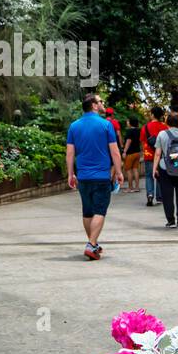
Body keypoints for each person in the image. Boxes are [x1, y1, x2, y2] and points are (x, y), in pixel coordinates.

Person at [66, 93, 123, 260]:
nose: (102, 103)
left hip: (83, 177)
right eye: (100, 101)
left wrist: (71, 173)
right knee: (99, 211)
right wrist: (119, 172)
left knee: (87, 212)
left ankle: (93, 243)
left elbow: (70, 153)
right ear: (94, 105)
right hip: (101, 176)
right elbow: (115, 151)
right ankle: (91, 245)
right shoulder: (106, 125)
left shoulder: (74, 126)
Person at [139, 105, 169, 207]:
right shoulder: (165, 127)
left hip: (149, 155)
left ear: (152, 114)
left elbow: (143, 142)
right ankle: (160, 197)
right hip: (161, 155)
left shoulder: (145, 127)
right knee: (160, 176)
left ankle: (150, 195)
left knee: (149, 176)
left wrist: (146, 150)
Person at [120, 114, 142, 192]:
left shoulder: (129, 131)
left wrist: (124, 151)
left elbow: (128, 141)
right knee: (135, 169)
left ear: (131, 122)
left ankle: (130, 187)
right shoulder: (139, 130)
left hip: (130, 153)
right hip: (137, 152)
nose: (127, 122)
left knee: (128, 170)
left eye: (128, 121)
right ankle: (137, 187)